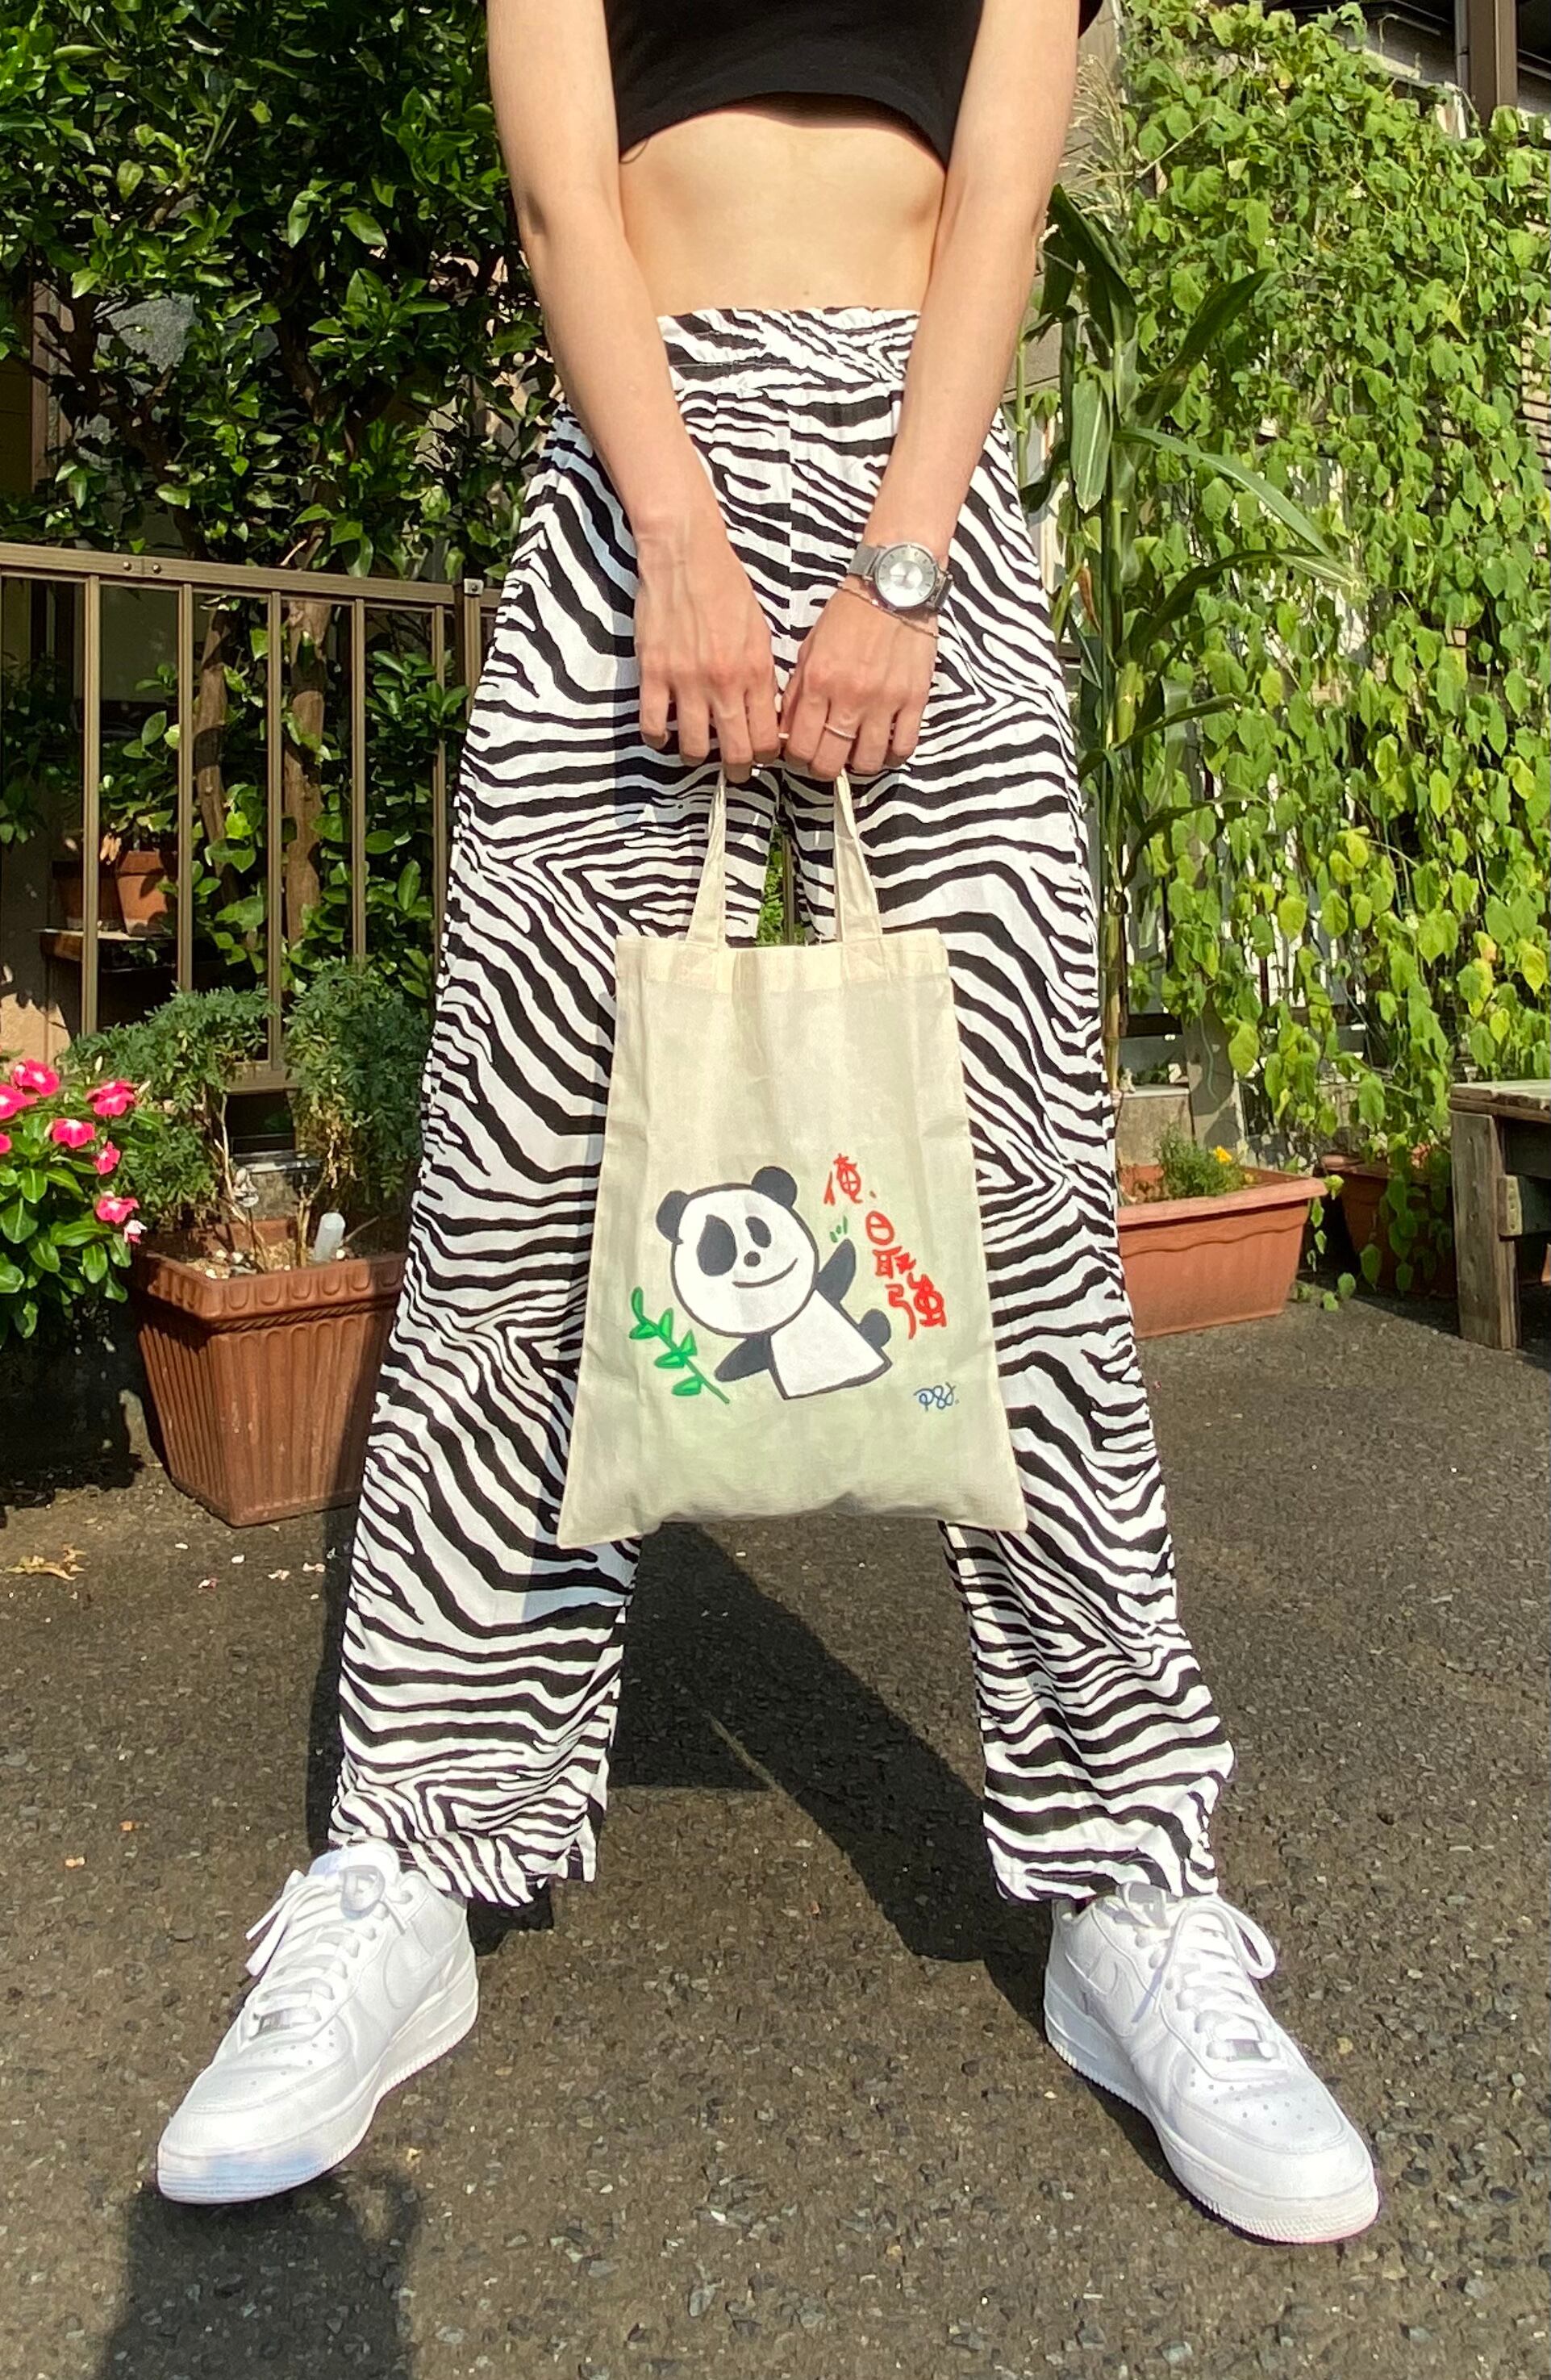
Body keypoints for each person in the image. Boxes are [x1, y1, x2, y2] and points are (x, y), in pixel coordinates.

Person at [158, 0, 1379, 2244]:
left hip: (929, 480)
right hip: (640, 468)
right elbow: (561, 190)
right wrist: (678, 530)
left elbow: (997, 191)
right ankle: (412, 1852)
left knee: (1019, 1208)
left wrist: (906, 565)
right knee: (527, 1191)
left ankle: (1131, 1889)